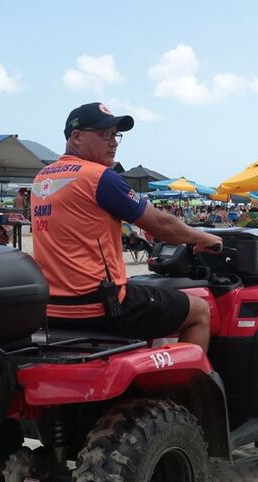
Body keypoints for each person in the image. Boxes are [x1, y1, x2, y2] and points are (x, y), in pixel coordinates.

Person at [31, 102, 222, 352]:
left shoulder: (42, 178)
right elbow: (162, 226)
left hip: (53, 307)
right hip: (100, 306)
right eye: (104, 134)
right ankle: (187, 379)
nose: (113, 142)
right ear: (76, 137)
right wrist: (204, 237)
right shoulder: (98, 177)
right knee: (199, 310)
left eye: (115, 135)